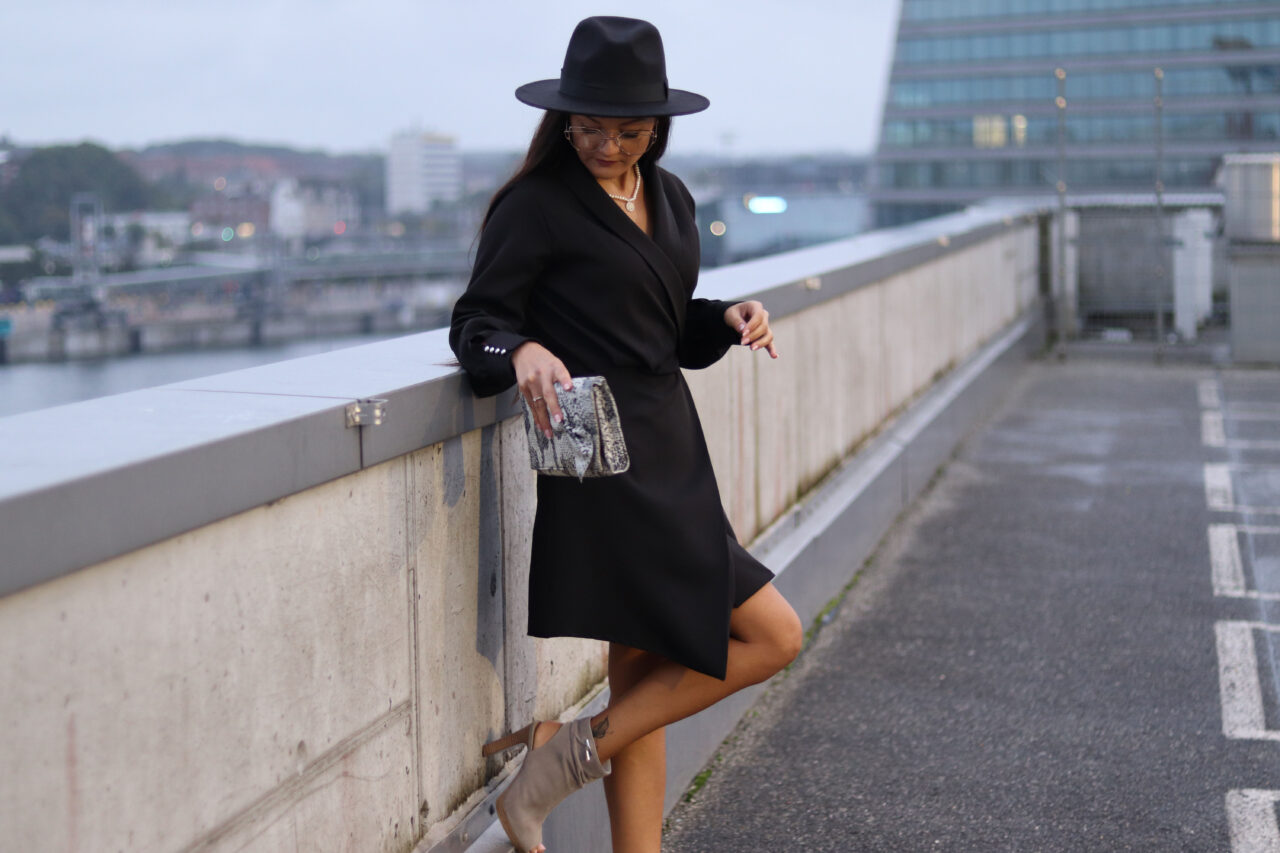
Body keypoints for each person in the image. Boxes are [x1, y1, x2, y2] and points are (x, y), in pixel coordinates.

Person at [449, 16, 803, 853]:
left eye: (628, 131)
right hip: (604, 462)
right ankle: (563, 754)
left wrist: (729, 316)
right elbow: (475, 325)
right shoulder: (536, 204)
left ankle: (575, 766)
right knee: (774, 634)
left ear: (658, 127)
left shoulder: (670, 197)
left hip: (673, 446)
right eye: (588, 128)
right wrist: (522, 349)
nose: (606, 146)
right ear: (563, 119)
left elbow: (669, 328)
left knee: (644, 673)